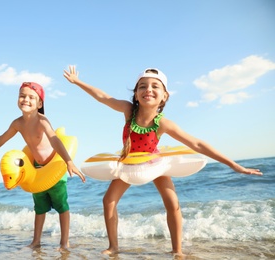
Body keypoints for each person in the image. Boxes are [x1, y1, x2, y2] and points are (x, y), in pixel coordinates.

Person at [63, 65, 262, 256]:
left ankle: (177, 250)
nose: (148, 89)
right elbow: (103, 97)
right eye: (142, 86)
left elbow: (197, 144)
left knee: (172, 202)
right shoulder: (128, 110)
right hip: (129, 162)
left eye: (155, 86)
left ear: (164, 96)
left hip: (154, 163)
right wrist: (78, 81)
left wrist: (233, 164)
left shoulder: (163, 123)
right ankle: (113, 247)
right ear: (136, 94)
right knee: (108, 201)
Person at [0, 82, 86, 251]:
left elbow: (54, 139)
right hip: (36, 168)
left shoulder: (42, 121)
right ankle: (36, 241)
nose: (25, 99)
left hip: (53, 166)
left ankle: (64, 242)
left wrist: (68, 161)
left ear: (40, 103)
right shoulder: (17, 123)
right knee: (39, 207)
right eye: (22, 96)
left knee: (61, 205)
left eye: (31, 97)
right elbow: (3, 138)